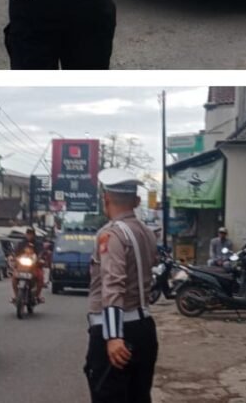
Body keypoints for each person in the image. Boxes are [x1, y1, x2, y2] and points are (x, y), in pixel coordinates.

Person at [85, 168, 158, 403]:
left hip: (119, 332)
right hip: (144, 327)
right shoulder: (146, 233)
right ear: (136, 201)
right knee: (139, 397)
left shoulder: (112, 234)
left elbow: (113, 284)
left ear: (106, 199)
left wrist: (113, 336)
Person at [12, 227, 45, 302]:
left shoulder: (38, 244)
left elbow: (41, 252)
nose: (29, 236)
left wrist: (40, 258)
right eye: (28, 234)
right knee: (14, 278)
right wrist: (13, 257)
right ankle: (16, 296)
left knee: (40, 278)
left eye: (31, 234)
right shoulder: (21, 243)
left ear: (34, 235)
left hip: (34, 266)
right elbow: (16, 252)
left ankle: (37, 296)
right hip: (21, 267)